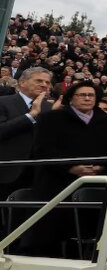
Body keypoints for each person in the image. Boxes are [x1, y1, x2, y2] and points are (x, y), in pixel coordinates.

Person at [25, 80, 107, 256]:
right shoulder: (51, 118)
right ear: (71, 98)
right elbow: (42, 150)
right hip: (56, 183)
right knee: (51, 236)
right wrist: (71, 168)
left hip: (92, 182)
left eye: (91, 95)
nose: (87, 98)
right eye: (82, 95)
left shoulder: (104, 120)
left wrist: (99, 167)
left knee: (85, 235)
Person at [0, 67, 59, 204]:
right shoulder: (3, 102)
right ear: (22, 82)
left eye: (47, 82)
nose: (44, 85)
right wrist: (30, 115)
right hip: (7, 172)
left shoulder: (49, 108)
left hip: (38, 174)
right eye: (39, 80)